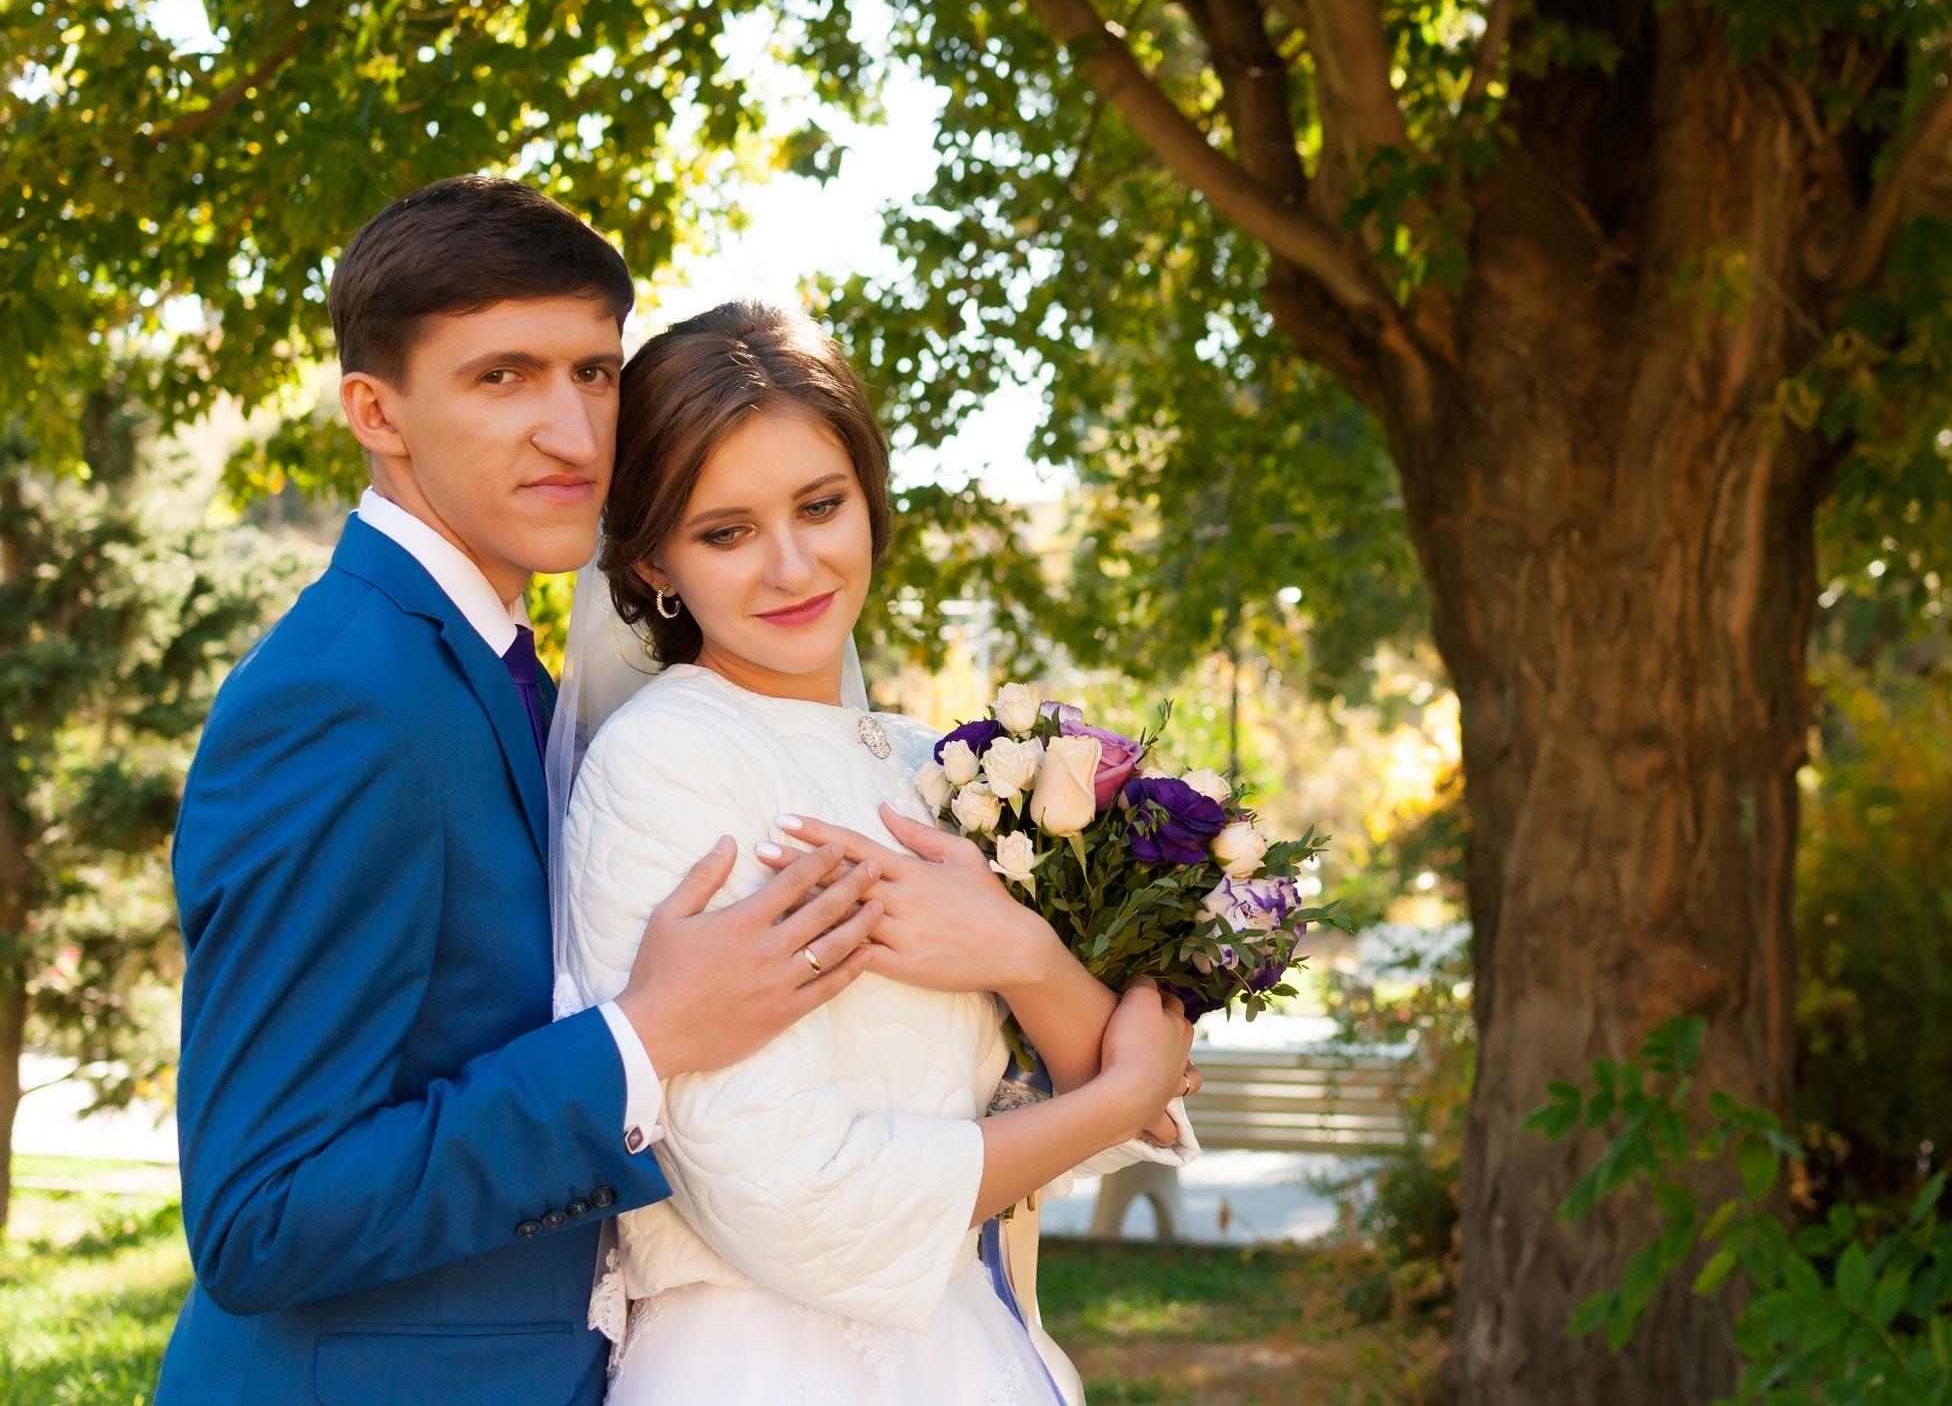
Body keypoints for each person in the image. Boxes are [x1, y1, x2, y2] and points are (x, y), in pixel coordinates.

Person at [159, 179, 891, 1405]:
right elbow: (260, 1214)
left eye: (594, 372)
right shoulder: (344, 697)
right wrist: (644, 1041)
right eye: (503, 376)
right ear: (375, 410)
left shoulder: (497, 668)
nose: (573, 433)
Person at [554, 300, 1198, 1403]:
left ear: (869, 497)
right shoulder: (665, 762)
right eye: (726, 532)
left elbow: (1114, 1116)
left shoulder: (930, 763)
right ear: (656, 559)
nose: (792, 565)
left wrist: (1025, 956)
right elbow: (790, 1198)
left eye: (821, 505)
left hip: (970, 1345)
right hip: (758, 1367)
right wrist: (1115, 1094)